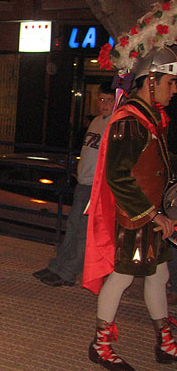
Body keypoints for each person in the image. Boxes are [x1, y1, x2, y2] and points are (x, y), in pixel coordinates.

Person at [83, 43, 177, 371]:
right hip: (137, 217)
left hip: (155, 216)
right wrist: (153, 214)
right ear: (150, 80)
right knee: (121, 278)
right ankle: (100, 345)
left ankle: (165, 342)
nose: (174, 88)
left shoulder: (153, 116)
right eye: (170, 81)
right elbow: (118, 177)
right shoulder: (130, 119)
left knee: (158, 275)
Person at [33, 82, 115, 286]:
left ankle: (68, 271)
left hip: (97, 186)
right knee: (72, 227)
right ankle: (58, 265)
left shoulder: (115, 124)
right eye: (101, 99)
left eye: (109, 100)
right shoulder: (96, 121)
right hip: (84, 183)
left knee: (83, 233)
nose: (103, 104)